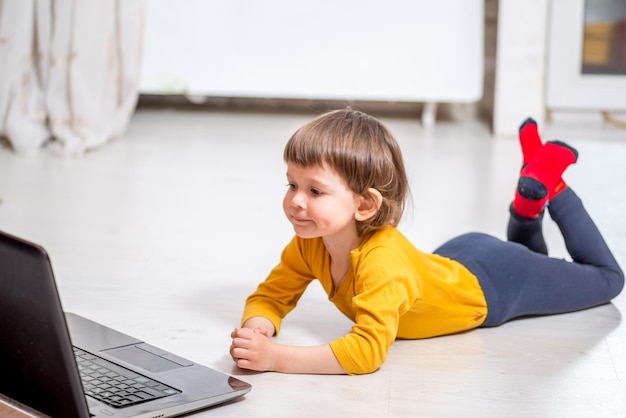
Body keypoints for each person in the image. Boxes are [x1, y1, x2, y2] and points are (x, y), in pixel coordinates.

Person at [229, 109, 624, 375]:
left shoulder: (381, 263)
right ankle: (526, 202)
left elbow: (366, 353)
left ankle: (551, 183)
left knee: (607, 279)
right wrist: (259, 328)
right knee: (537, 264)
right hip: (457, 260)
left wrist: (275, 358)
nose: (296, 200)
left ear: (365, 204)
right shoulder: (309, 243)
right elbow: (272, 296)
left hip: (495, 284)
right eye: (292, 183)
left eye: (315, 191)